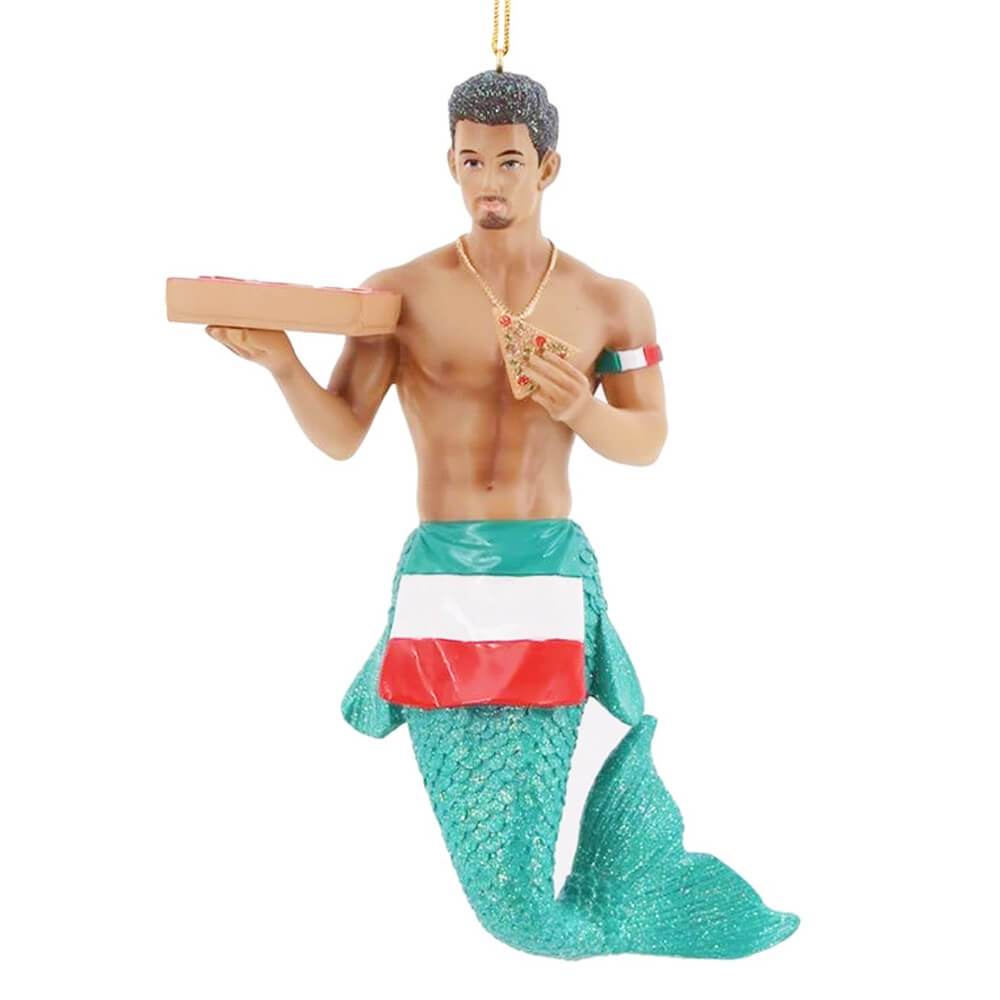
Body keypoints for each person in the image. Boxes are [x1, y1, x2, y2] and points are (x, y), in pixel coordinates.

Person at [206, 69, 799, 960]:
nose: (489, 181)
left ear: (548, 167)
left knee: (517, 881)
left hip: (547, 585)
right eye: (472, 160)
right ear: (449, 161)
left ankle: (641, 886)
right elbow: (342, 435)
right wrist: (283, 365)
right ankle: (628, 895)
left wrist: (580, 408)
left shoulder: (611, 302)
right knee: (497, 888)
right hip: (440, 585)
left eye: (510, 162)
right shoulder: (395, 295)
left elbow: (648, 440)